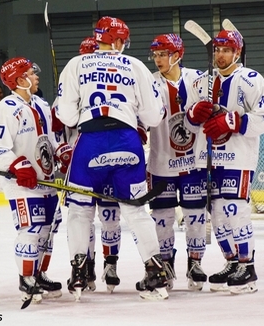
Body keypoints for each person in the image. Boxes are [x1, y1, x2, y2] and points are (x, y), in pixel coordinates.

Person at [55, 16, 168, 301]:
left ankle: (80, 270)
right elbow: (154, 116)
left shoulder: (76, 64)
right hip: (127, 142)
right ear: (117, 41)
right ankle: (155, 272)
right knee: (136, 211)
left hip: (89, 142)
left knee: (80, 210)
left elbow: (65, 116)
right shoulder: (135, 65)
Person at [184, 29, 264, 294]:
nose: (219, 55)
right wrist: (192, 114)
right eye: (217, 50)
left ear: (237, 52)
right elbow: (188, 123)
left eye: (225, 50)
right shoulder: (201, 82)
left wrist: (234, 120)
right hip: (206, 157)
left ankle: (248, 266)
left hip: (238, 158)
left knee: (235, 210)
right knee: (217, 214)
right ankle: (232, 261)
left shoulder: (251, 79)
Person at [0, 57, 71, 304]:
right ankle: (26, 278)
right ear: (20, 79)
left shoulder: (41, 104)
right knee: (31, 229)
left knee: (48, 231)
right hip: (22, 186)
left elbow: (50, 138)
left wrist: (61, 151)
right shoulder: (5, 107)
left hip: (47, 182)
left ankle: (40, 274)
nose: (36, 77)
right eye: (32, 74)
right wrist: (16, 164)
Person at [51, 35, 123, 294]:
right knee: (80, 217)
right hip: (80, 165)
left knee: (110, 217)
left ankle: (111, 264)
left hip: (108, 161)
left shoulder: (115, 87)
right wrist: (62, 148)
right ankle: (84, 267)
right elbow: (56, 131)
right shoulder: (69, 87)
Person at [141, 33, 207, 291]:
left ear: (177, 55)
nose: (157, 59)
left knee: (195, 216)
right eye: (155, 55)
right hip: (161, 163)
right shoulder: (148, 82)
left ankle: (195, 262)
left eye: (163, 54)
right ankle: (165, 264)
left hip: (194, 163)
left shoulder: (198, 79)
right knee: (162, 217)